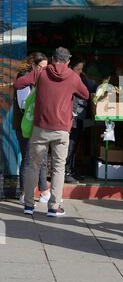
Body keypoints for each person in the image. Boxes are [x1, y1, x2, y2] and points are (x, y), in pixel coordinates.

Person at [13, 47, 89, 217]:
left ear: (53, 58)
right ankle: (54, 207)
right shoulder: (72, 76)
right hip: (62, 129)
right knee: (58, 168)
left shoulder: (41, 72)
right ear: (68, 61)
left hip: (40, 128)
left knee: (33, 165)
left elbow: (18, 84)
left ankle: (29, 205)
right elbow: (85, 94)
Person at [13, 52, 50, 204]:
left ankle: (43, 191)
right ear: (34, 65)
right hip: (24, 124)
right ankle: (24, 193)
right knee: (28, 159)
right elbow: (23, 104)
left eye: (46, 67)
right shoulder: (24, 77)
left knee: (39, 156)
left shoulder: (40, 77)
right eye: (41, 67)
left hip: (36, 124)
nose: (44, 70)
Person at [65, 58, 98, 184]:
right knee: (70, 145)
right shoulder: (69, 79)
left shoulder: (81, 78)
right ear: (70, 68)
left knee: (75, 145)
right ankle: (66, 172)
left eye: (81, 69)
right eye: (78, 69)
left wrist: (83, 76)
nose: (80, 72)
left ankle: (71, 170)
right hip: (71, 116)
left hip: (79, 116)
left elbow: (92, 87)